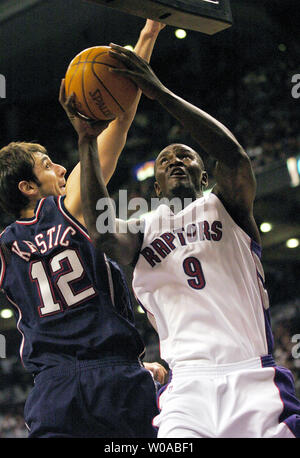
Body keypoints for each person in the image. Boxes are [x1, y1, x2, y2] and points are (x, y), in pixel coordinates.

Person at [78, 44, 300, 438]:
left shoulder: (227, 205)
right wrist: (86, 142)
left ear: (203, 177)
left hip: (252, 373)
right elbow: (101, 232)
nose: (175, 161)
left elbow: (233, 158)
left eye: (186, 157)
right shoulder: (143, 228)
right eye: (165, 161)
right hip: (187, 386)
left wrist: (159, 93)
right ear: (156, 185)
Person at [0, 20, 167, 438]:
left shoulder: (4, 248)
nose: (59, 168)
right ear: (28, 187)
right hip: (115, 380)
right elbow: (120, 121)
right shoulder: (69, 202)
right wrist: (148, 34)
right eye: (46, 165)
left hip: (55, 391)